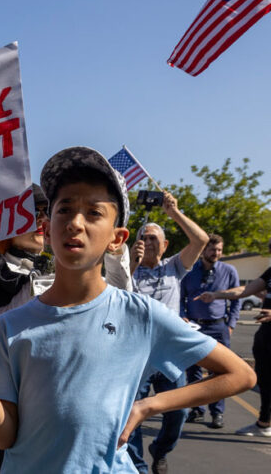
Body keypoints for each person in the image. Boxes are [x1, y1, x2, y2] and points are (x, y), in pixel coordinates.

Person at [0, 146, 255, 473]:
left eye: (93, 213)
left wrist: (149, 405)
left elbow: (240, 374)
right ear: (47, 227)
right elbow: (2, 437)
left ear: (118, 238)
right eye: (64, 209)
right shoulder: (10, 326)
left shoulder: (140, 314)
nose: (75, 222)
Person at [127, 191, 208, 474]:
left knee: (178, 412)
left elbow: (201, 241)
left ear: (165, 244)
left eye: (153, 238)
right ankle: (137, 465)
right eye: (143, 238)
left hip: (170, 354)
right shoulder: (127, 269)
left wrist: (173, 212)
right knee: (132, 413)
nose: (148, 242)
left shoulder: (174, 266)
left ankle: (160, 450)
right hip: (138, 354)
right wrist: (130, 264)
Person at [194, 239, 271, 438]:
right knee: (265, 379)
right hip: (266, 334)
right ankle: (264, 423)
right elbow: (244, 290)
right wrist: (216, 295)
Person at [180, 234, 240, 429]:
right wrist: (183, 316)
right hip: (194, 327)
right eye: (213, 250)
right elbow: (181, 297)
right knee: (194, 371)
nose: (217, 253)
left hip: (218, 326)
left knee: (220, 372)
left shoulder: (229, 271)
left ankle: (217, 413)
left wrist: (231, 323)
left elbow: (237, 298)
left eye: (220, 250)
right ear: (204, 250)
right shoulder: (189, 271)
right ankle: (197, 410)